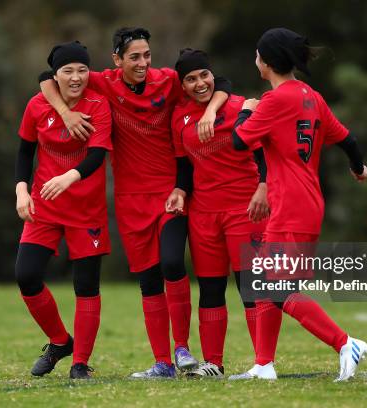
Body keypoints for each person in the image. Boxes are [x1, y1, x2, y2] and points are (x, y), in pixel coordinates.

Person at [38, 28, 232, 378]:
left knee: (172, 264)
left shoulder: (170, 81)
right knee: (148, 282)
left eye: (146, 55)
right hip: (129, 201)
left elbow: (220, 82)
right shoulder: (103, 83)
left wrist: (211, 111)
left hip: (170, 193)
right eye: (134, 57)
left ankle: (182, 348)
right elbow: (46, 79)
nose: (143, 63)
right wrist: (65, 115)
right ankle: (162, 364)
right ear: (117, 60)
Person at [228, 28, 367, 381]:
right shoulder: (312, 96)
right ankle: (263, 365)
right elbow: (348, 139)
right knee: (264, 282)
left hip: (292, 206)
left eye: (257, 54)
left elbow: (238, 142)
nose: (255, 59)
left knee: (272, 286)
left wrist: (247, 110)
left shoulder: (274, 100)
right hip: (303, 203)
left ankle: (345, 343)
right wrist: (358, 167)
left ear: (267, 61)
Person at [165, 49, 270, 378]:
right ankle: (214, 363)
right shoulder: (179, 118)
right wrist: (180, 191)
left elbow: (265, 153)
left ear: (214, 76)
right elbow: (183, 166)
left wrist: (264, 187)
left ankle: (262, 363)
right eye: (191, 79)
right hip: (203, 215)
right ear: (182, 86)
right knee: (210, 289)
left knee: (250, 287)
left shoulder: (239, 106)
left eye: (204, 76)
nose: (199, 83)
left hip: (245, 209)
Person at [15, 41, 112, 380]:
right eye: (68, 71)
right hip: (46, 203)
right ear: (55, 75)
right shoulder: (37, 105)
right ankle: (59, 341)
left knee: (86, 285)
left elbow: (97, 155)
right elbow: (25, 153)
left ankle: (80, 364)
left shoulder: (99, 104)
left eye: (82, 70)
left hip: (87, 209)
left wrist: (67, 178)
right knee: (26, 275)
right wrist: (21, 191)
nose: (76, 77)